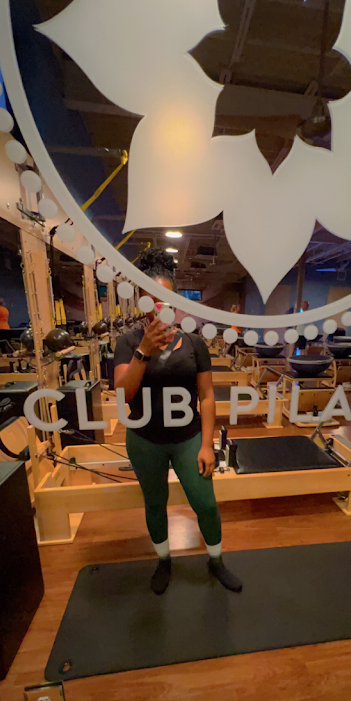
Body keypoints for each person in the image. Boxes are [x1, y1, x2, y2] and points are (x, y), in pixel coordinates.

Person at [113, 248, 242, 595]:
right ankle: (163, 561)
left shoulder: (195, 343)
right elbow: (123, 394)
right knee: (155, 504)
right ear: (140, 302)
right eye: (150, 300)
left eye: (164, 300)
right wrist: (144, 351)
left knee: (205, 503)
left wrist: (207, 444)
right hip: (144, 439)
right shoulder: (127, 343)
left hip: (188, 439)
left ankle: (216, 560)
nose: (158, 308)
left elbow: (207, 396)